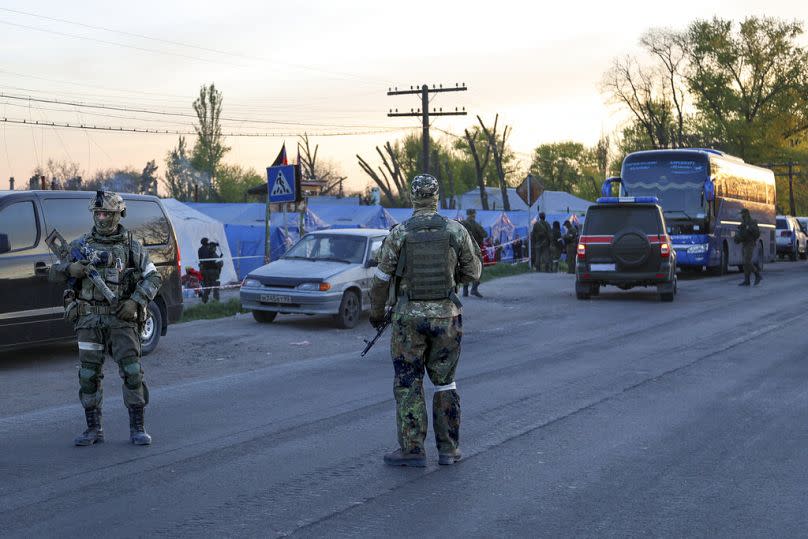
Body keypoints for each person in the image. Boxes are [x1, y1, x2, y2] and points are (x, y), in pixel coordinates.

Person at [369, 174, 481, 467]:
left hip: (408, 319)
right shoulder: (456, 231)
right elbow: (474, 273)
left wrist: (376, 313)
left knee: (408, 381)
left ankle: (412, 449)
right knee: (445, 383)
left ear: (413, 197)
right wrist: (450, 279)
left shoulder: (399, 233)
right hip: (447, 318)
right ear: (436, 196)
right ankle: (449, 450)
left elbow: (380, 280)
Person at [49, 191, 162, 446]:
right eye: (97, 213)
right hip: (89, 321)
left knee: (132, 372)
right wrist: (70, 268)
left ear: (118, 214)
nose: (101, 218)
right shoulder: (80, 245)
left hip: (121, 319)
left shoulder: (132, 245)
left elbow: (154, 277)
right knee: (88, 375)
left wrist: (135, 302)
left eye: (106, 214)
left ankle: (138, 428)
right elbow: (53, 273)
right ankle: (93, 429)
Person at [460, 208, 486, 298]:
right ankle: (474, 289)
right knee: (479, 268)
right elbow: (484, 234)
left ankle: (465, 291)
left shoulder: (462, 223)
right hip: (475, 250)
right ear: (473, 214)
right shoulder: (475, 224)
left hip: (464, 251)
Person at [734, 208, 762, 286]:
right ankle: (747, 280)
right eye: (741, 214)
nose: (741, 215)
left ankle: (757, 274)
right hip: (744, 243)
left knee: (747, 261)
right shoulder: (743, 222)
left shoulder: (752, 222)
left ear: (746, 213)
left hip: (750, 243)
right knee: (744, 263)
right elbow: (741, 233)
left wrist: (748, 228)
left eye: (743, 213)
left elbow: (756, 232)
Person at [198, 238, 223, 303]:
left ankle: (204, 301)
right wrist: (220, 259)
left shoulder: (200, 250)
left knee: (207, 288)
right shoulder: (212, 252)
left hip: (205, 271)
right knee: (216, 288)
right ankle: (216, 302)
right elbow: (219, 264)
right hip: (213, 272)